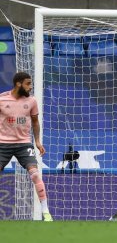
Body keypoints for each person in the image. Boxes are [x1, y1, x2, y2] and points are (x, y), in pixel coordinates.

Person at [0, 72, 53, 222]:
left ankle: (46, 212)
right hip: (3, 144)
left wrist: (37, 141)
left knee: (35, 174)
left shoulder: (31, 101)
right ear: (18, 84)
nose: (30, 87)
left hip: (23, 144)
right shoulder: (2, 99)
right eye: (28, 84)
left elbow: (35, 122)